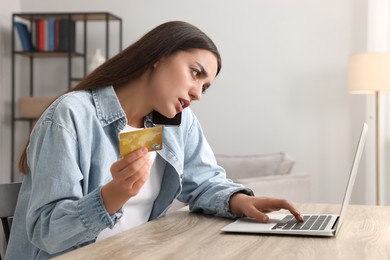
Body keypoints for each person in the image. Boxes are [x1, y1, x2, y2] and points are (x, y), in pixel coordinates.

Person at [6, 21, 303, 259]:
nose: (197, 94)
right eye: (195, 73)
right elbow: (47, 230)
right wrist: (113, 195)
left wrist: (240, 201)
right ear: (158, 57)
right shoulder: (72, 115)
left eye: (205, 87)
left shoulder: (177, 121)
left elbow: (203, 182)